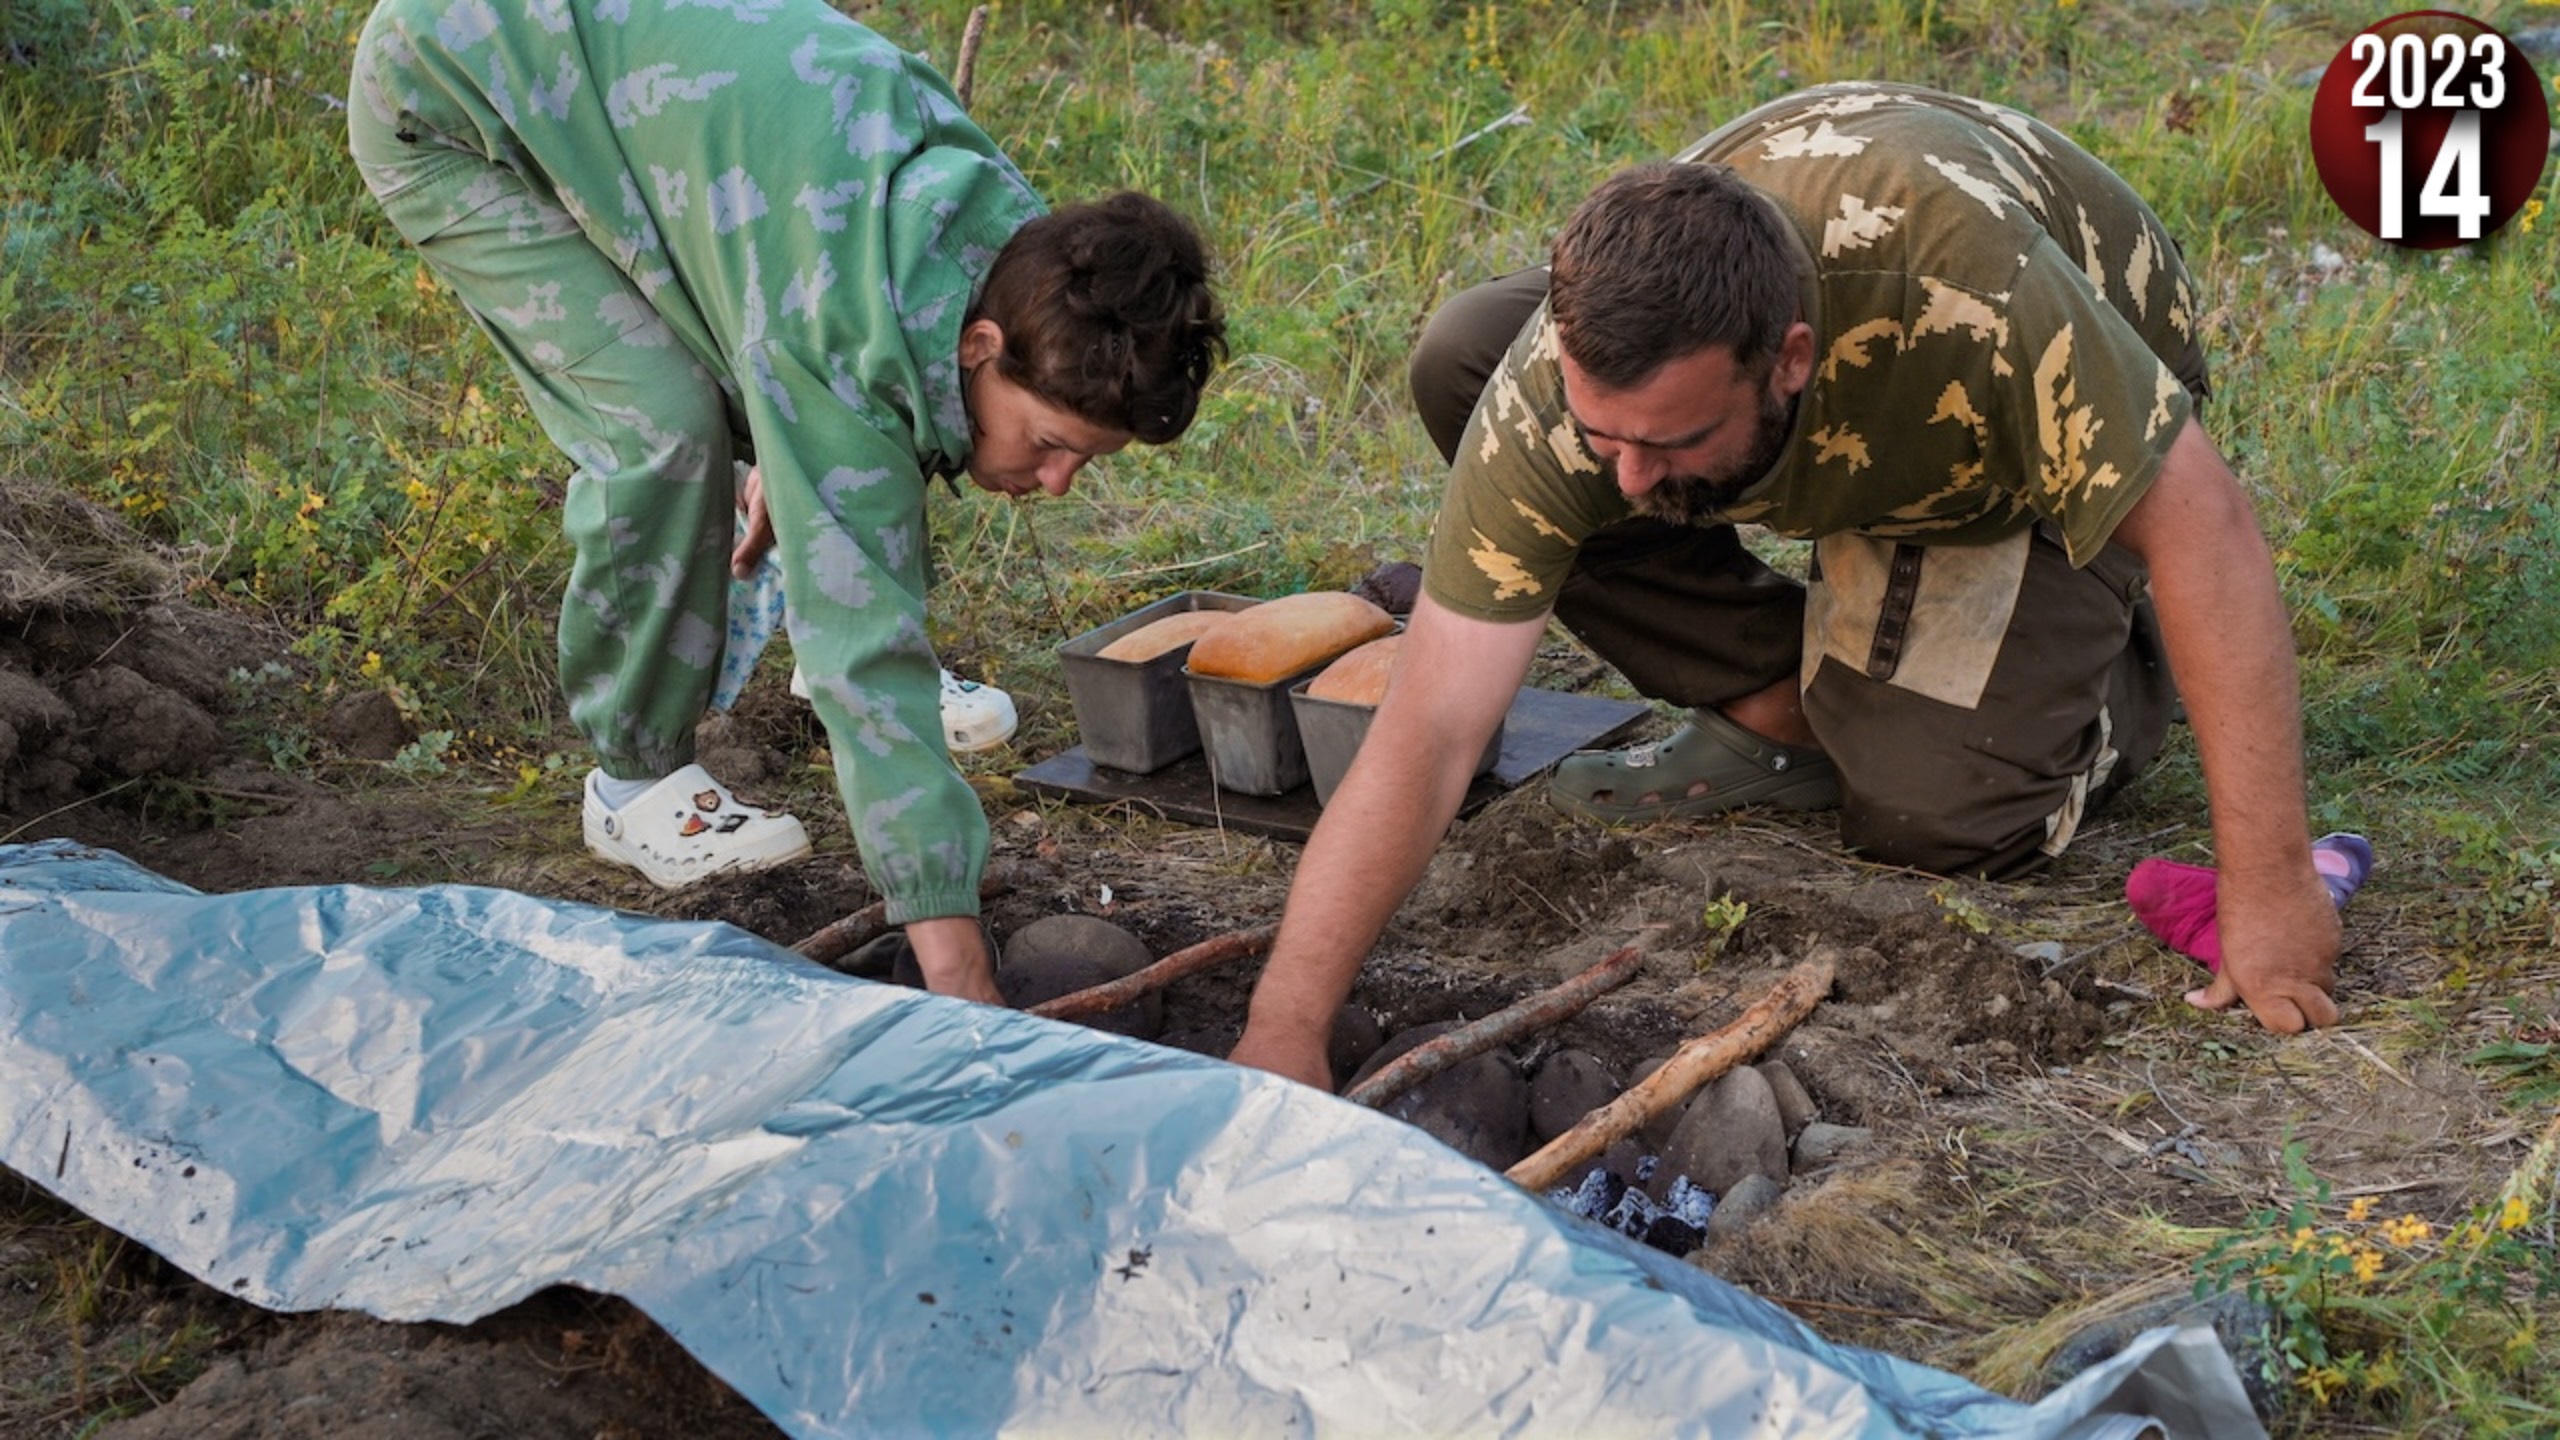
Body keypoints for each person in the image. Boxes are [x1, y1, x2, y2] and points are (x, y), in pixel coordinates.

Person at [1229, 82, 2340, 1089]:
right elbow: (1430, 726)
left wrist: (2271, 884)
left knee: (1934, 810)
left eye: (1668, 437)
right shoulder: (1556, 400)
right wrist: (1285, 1020)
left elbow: (2210, 533)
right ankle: (1786, 691)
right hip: (1833, 400)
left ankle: (2112, 647)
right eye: (1598, 433)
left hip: (2024, 425)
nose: (1622, 479)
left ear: (1791, 360)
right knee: (1463, 355)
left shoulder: (1979, 295)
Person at [348, 0, 1224, 1003]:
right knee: (663, 428)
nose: (1057, 483)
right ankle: (633, 782)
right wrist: (956, 961)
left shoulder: (1013, 250)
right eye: (1052, 445)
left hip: (640, 94)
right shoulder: (839, 313)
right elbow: (866, 643)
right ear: (979, 349)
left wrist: (790, 437)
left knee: (795, 422)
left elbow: (803, 321)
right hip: (449, 87)